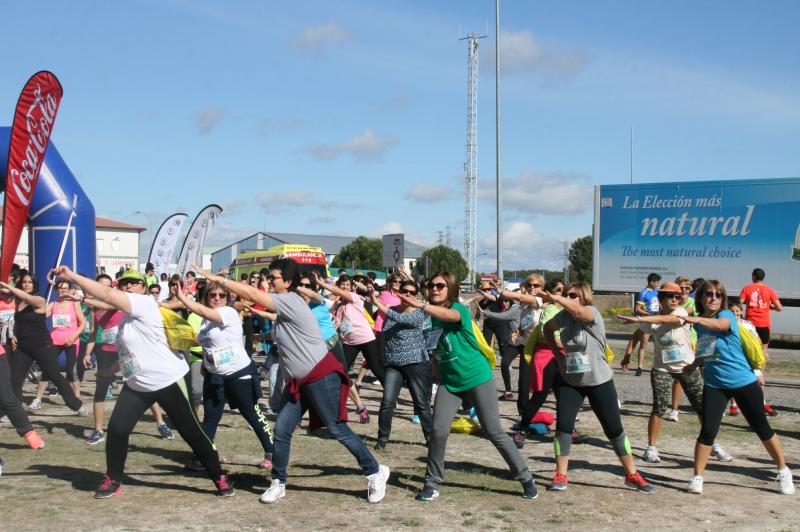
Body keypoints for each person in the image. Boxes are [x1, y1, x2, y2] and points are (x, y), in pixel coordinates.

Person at [192, 260, 390, 504]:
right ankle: (278, 481)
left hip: (321, 376)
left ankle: (375, 472)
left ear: (287, 281)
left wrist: (218, 278)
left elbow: (253, 293)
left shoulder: (291, 300)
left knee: (337, 429)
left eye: (273, 277)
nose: (268, 281)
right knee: (282, 429)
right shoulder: (285, 308)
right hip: (299, 382)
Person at [50, 266, 232, 499]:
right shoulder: (125, 321)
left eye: (134, 283)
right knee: (117, 429)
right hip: (137, 384)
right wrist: (108, 371)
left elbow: (107, 296)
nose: (128, 287)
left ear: (144, 288)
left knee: (192, 432)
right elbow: (128, 355)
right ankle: (113, 478)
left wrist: (73, 277)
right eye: (124, 284)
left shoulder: (145, 304)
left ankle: (218, 476)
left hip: (168, 379)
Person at [404, 272, 537, 502]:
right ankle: (432, 481)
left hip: (477, 378)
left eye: (440, 286)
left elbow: (450, 315)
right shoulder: (429, 318)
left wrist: (421, 304)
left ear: (451, 288)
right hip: (451, 383)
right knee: (437, 431)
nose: (434, 289)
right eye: (430, 285)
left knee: (494, 431)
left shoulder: (459, 309)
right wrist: (436, 375)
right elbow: (435, 348)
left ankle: (525, 477)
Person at [681, 280, 793, 495]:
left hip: (743, 381)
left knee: (762, 428)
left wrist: (695, 318)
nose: (713, 298)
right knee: (707, 431)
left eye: (718, 294)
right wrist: (695, 364)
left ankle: (783, 470)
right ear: (702, 297)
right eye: (708, 294)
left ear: (722, 299)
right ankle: (697, 477)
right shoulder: (700, 323)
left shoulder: (727, 316)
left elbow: (721, 327)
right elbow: (708, 349)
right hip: (715, 384)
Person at [542, 282, 653, 494]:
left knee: (614, 429)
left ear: (583, 296)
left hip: (599, 381)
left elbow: (579, 311)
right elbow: (547, 329)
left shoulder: (591, 313)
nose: (568, 297)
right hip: (571, 381)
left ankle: (631, 474)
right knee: (563, 427)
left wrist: (556, 299)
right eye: (566, 294)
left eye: (573, 295)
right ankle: (561, 475)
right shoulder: (562, 318)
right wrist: (558, 356)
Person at [617, 282, 732, 464]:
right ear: (660, 299)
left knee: (702, 407)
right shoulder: (652, 321)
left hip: (687, 367)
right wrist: (627, 356)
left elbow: (666, 320)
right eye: (669, 296)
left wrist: (640, 319)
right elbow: (638, 335)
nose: (674, 299)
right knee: (659, 407)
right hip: (662, 368)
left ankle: (712, 445)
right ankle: (651, 448)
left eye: (677, 297)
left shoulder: (681, 313)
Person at [175, 281, 275, 471]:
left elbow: (203, 311)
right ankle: (202, 457)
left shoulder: (228, 313)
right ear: (206, 297)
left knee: (251, 413)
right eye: (213, 295)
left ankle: (271, 452)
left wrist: (182, 299)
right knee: (211, 417)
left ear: (227, 299)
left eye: (222, 295)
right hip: (215, 375)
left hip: (239, 373)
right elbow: (205, 344)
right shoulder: (205, 322)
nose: (217, 299)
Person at [81, 274, 175, 445]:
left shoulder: (122, 303)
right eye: (102, 286)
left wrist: (82, 298)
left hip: (128, 354)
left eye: (109, 286)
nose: (106, 289)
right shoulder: (96, 310)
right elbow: (94, 333)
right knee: (100, 391)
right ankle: (98, 430)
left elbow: (107, 301)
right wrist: (87, 353)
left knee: (145, 388)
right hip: (106, 353)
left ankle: (161, 423)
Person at [2, 274, 87, 416]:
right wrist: (14, 335)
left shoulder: (39, 300)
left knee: (54, 375)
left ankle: (76, 405)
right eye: (24, 282)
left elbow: (27, 298)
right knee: (15, 379)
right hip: (23, 347)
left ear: (34, 285)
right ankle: (13, 412)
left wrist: (9, 287)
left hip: (42, 345)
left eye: (30, 282)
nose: (27, 284)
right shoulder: (18, 302)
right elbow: (19, 322)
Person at [370, 280, 433, 450]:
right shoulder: (391, 311)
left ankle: (431, 438)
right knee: (387, 402)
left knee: (421, 403)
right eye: (404, 291)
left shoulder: (419, 313)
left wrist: (377, 302)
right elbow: (384, 333)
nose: (407, 295)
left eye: (412, 292)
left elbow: (398, 318)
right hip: (393, 364)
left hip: (415, 363)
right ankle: (382, 439)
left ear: (416, 295)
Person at [739, 268, 782, 416]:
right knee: (761, 358)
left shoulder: (747, 288)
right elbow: (779, 307)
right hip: (764, 325)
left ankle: (734, 404)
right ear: (763, 278)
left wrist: (751, 306)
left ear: (753, 277)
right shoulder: (769, 290)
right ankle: (760, 396)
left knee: (744, 356)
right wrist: (767, 306)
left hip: (750, 325)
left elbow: (739, 303)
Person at [47, 279, 86, 400]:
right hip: (55, 340)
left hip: (72, 341)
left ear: (69, 290)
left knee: (70, 370)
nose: (62, 290)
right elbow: (40, 314)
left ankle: (77, 395)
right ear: (56, 290)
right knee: (48, 367)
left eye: (65, 288)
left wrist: (73, 337)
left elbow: (82, 323)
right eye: (59, 288)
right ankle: (40, 396)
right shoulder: (53, 304)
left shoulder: (74, 303)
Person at [621, 273, 661, 376]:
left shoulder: (658, 292)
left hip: (658, 321)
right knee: (643, 344)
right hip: (647, 320)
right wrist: (649, 314)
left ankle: (658, 367)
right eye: (657, 282)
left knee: (658, 344)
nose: (658, 284)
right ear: (651, 282)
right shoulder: (644, 293)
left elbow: (660, 305)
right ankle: (639, 367)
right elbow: (638, 309)